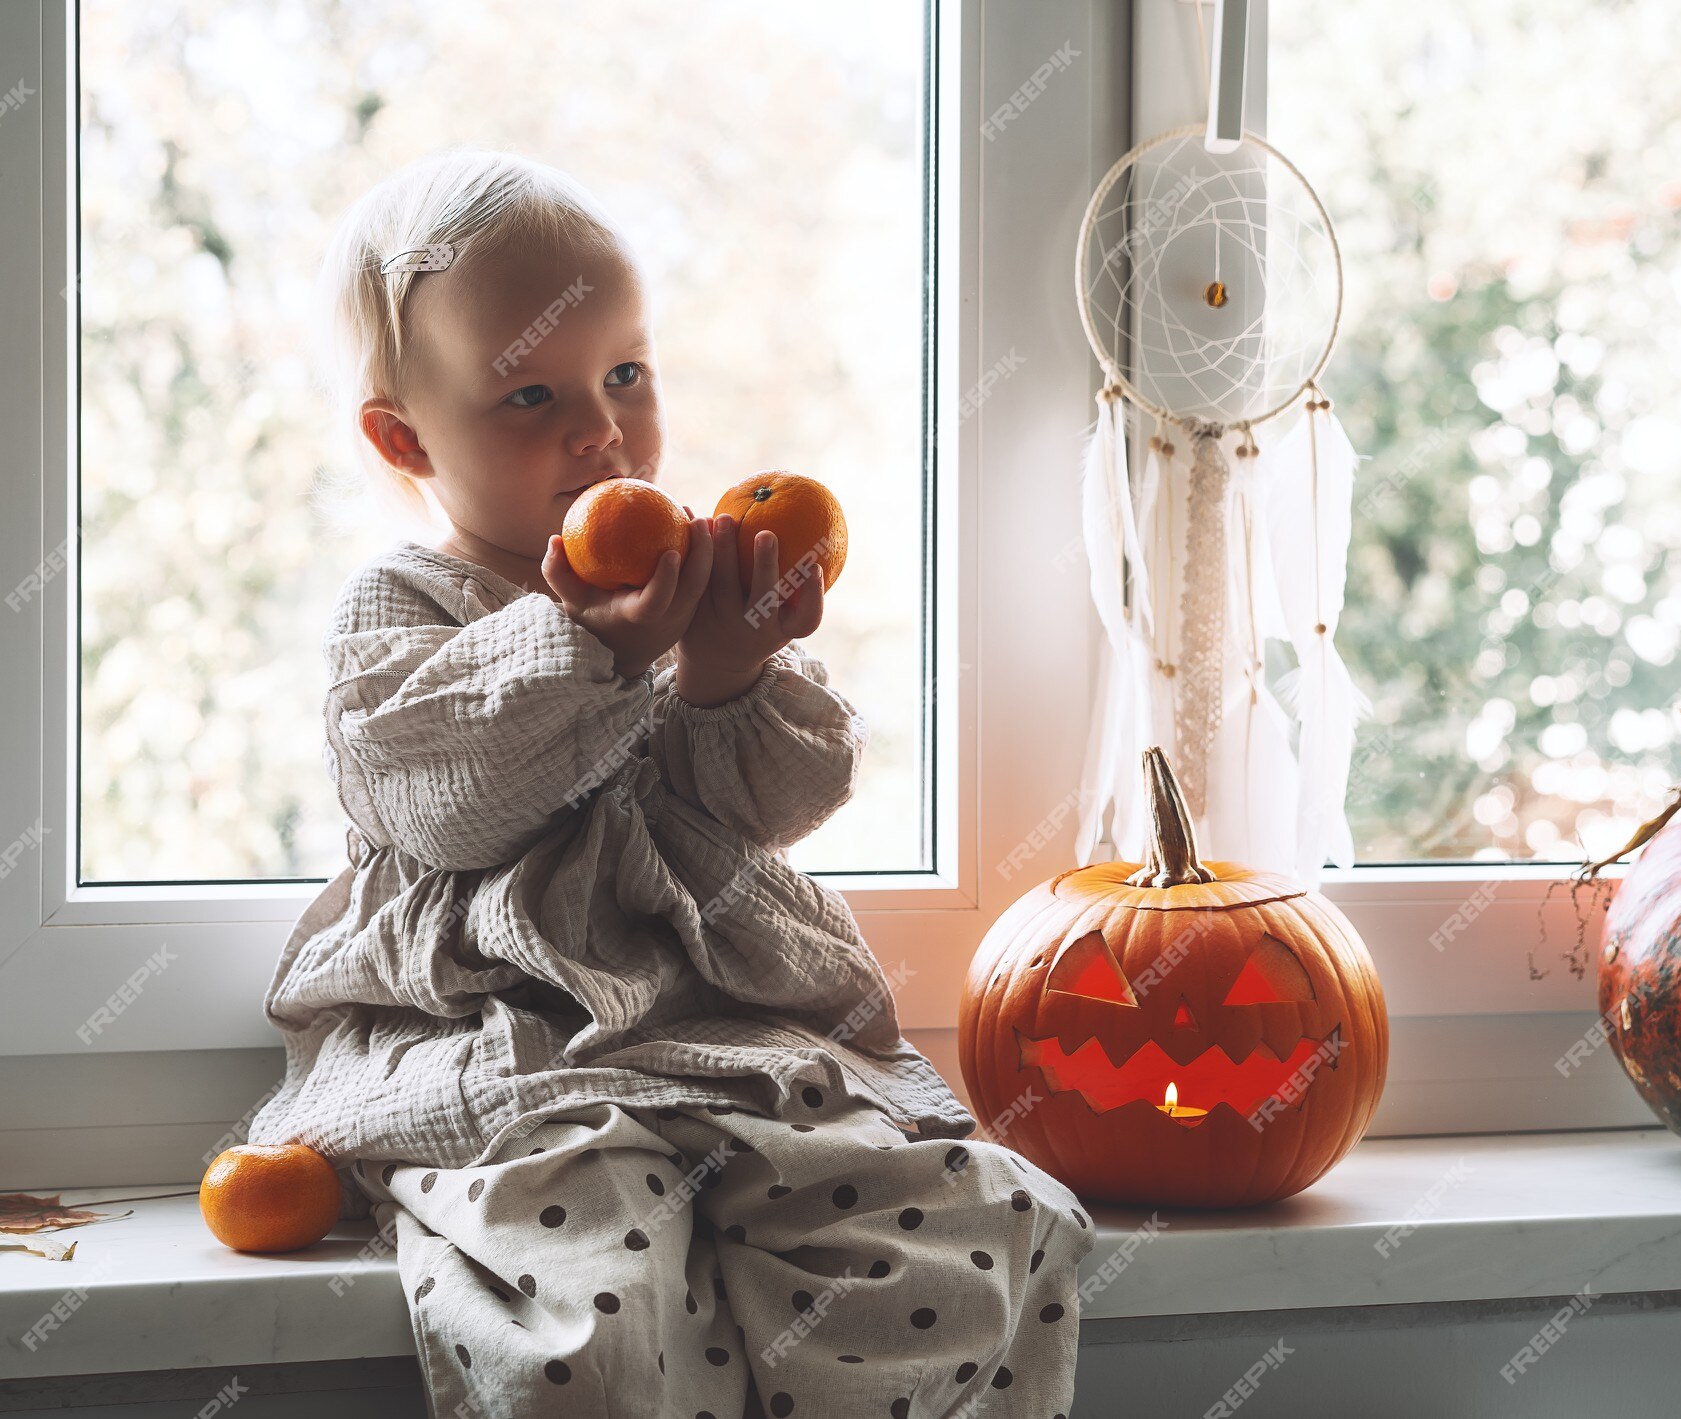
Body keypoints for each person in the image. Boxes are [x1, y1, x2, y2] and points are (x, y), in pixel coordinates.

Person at [247, 145, 1095, 1419]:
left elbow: (763, 817)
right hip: (522, 1046)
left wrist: (723, 676)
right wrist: (594, 650)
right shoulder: (406, 601)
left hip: (726, 1042)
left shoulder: (684, 578)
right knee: (589, 1301)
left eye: (625, 376)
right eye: (529, 396)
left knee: (975, 1225)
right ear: (402, 436)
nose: (600, 429)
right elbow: (433, 797)